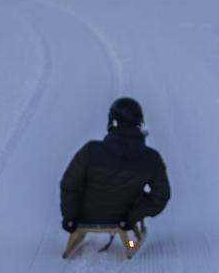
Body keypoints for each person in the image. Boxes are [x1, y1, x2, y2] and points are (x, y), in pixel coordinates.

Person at [60, 97, 171, 234]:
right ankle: (130, 244)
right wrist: (133, 216)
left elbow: (68, 184)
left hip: (85, 216)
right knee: (138, 193)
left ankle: (128, 243)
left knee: (79, 182)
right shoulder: (152, 159)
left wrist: (70, 216)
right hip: (123, 219)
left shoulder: (91, 150)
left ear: (113, 121)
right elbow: (161, 195)